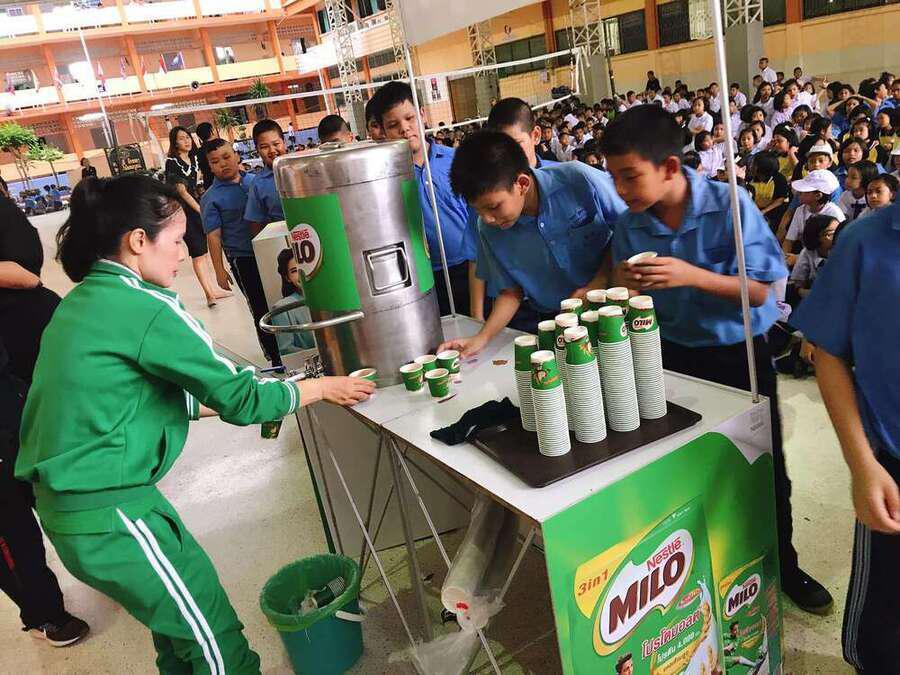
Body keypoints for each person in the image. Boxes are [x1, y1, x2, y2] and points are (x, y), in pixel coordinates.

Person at [14, 174, 374, 674]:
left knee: (178, 633)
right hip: (111, 511)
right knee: (212, 638)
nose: (184, 254)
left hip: (78, 510)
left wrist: (269, 391)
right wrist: (321, 388)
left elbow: (138, 400)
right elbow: (243, 399)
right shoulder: (146, 307)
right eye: (178, 240)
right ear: (138, 241)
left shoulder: (82, 302)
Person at [599, 105, 833, 614]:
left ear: (669, 167)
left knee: (761, 465)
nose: (620, 189)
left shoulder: (729, 205)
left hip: (737, 356)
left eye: (629, 176)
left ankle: (785, 564)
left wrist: (691, 276)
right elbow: (623, 284)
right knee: (685, 466)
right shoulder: (631, 224)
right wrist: (624, 281)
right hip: (670, 357)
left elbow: (762, 290)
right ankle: (707, 567)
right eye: (613, 177)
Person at [790, 200, 900, 672]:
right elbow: (828, 352)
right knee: (884, 620)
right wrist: (862, 464)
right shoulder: (865, 241)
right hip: (891, 466)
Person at [0, 176, 90, 647]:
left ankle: (98, 564)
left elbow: (26, 272)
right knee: (9, 517)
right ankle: (43, 612)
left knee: (56, 479)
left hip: (21, 376)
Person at [438, 131, 625, 354]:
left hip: (613, 303)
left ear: (522, 183)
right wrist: (482, 337)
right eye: (478, 210)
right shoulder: (488, 229)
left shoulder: (578, 180)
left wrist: (599, 280)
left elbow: (626, 227)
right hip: (555, 321)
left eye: (494, 207)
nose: (488, 218)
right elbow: (510, 292)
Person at [370, 81, 479, 318]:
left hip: (472, 268)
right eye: (393, 125)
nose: (405, 128)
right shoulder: (384, 179)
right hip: (423, 278)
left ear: (422, 114)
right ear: (383, 131)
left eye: (409, 118)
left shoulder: (456, 160)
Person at [201, 138, 281, 366]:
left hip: (273, 250)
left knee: (282, 299)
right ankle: (274, 356)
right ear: (210, 167)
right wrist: (219, 271)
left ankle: (293, 347)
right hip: (244, 258)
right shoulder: (211, 198)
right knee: (259, 305)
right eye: (215, 161)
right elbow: (213, 236)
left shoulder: (256, 181)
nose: (223, 164)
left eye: (227, 157)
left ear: (237, 156)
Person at [164, 126, 230, 308]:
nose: (186, 141)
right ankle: (209, 294)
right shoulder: (172, 162)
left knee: (205, 252)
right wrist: (201, 210)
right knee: (198, 253)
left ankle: (213, 289)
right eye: (181, 138)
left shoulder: (193, 159)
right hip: (185, 212)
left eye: (188, 137)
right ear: (174, 142)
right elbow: (181, 191)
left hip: (199, 206)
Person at [782, 169, 845, 263]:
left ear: (818, 196)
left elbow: (838, 247)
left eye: (804, 192)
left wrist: (798, 259)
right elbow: (789, 240)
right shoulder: (800, 210)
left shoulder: (834, 213)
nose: (799, 194)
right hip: (805, 256)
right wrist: (783, 259)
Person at [487, 98, 557, 169]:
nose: (507, 155)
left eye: (516, 145)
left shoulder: (560, 174)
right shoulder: (489, 175)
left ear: (536, 135)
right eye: (499, 148)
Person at [244, 119, 287, 233]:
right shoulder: (258, 184)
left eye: (276, 144)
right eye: (264, 147)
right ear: (257, 150)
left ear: (284, 142)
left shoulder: (302, 168)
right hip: (282, 237)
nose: (272, 150)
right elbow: (255, 222)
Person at [787, 213, 839, 307]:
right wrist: (804, 292)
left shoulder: (844, 251)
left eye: (839, 231)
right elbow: (798, 283)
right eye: (831, 234)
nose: (837, 236)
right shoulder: (808, 252)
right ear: (816, 237)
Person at [271, 248, 316, 356]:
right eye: (294, 271)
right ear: (287, 278)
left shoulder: (333, 296)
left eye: (304, 268)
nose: (302, 274)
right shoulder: (282, 308)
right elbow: (286, 349)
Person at [748, 151, 791, 230]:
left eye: (754, 164)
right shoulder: (750, 178)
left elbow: (780, 199)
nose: (751, 166)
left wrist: (763, 211)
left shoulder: (779, 178)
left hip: (772, 214)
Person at [195, 122, 218, 189]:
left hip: (209, 184)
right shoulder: (221, 145)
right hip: (225, 181)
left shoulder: (199, 152)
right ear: (211, 131)